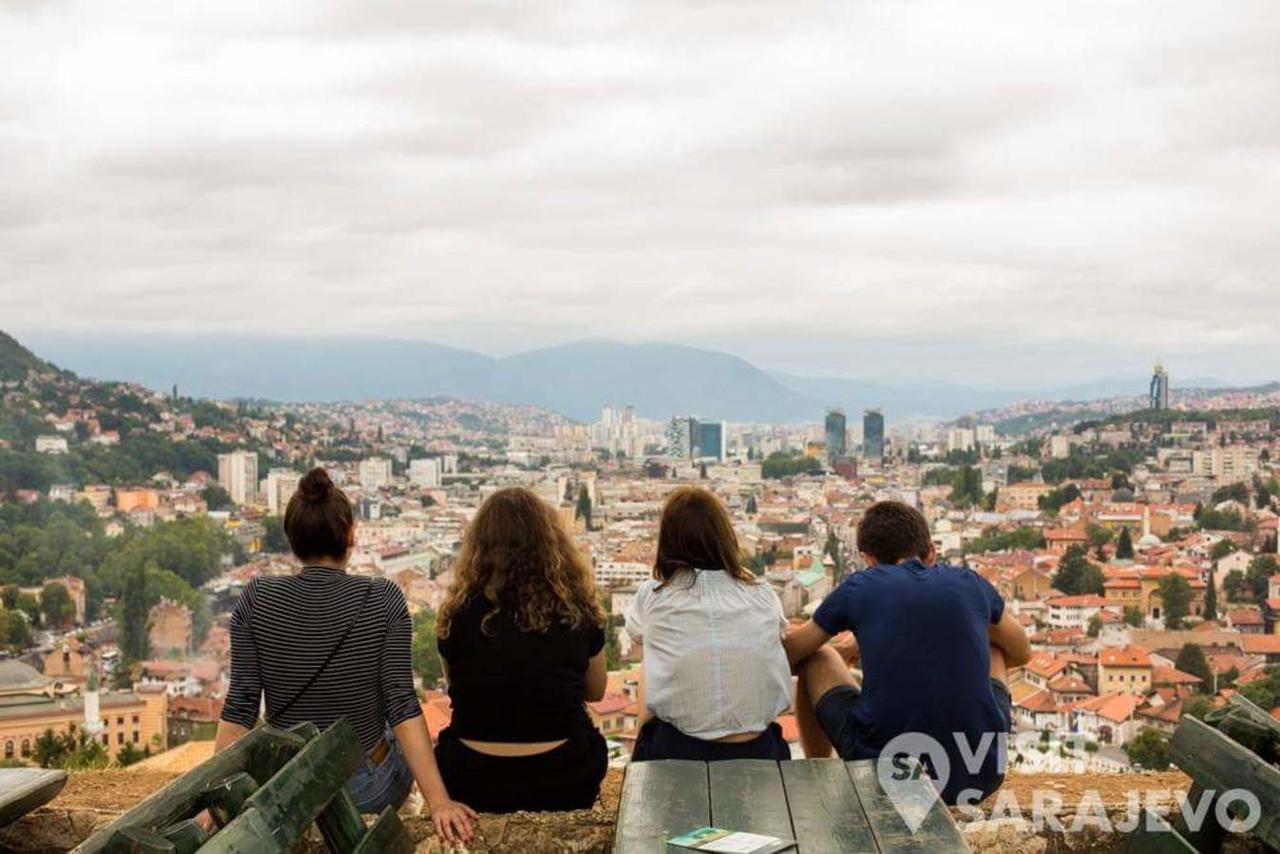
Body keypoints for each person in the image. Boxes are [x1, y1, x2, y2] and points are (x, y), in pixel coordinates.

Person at [215, 468, 475, 845]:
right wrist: (440, 802)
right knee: (389, 727)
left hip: (289, 787)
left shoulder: (256, 600)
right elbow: (401, 705)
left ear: (292, 539)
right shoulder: (383, 599)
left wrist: (215, 801)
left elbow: (240, 707)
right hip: (366, 786)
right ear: (350, 537)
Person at [784, 500, 1031, 805]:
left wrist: (858, 643)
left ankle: (816, 775)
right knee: (996, 643)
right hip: (978, 774)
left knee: (817, 658)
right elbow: (1021, 651)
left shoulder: (860, 587)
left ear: (868, 559)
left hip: (883, 772)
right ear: (931, 551)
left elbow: (791, 655)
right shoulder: (969, 582)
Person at [433, 487, 609, 813]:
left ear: (480, 547)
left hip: (472, 777)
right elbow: (596, 692)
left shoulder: (455, 615)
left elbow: (456, 686)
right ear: (549, 542)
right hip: (564, 774)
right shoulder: (576, 611)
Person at [626, 487, 792, 762]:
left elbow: (636, 634)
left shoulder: (653, 594)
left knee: (649, 656)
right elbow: (780, 635)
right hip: (760, 749)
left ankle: (640, 763)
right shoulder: (762, 592)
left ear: (667, 541)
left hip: (679, 751)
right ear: (724, 537)